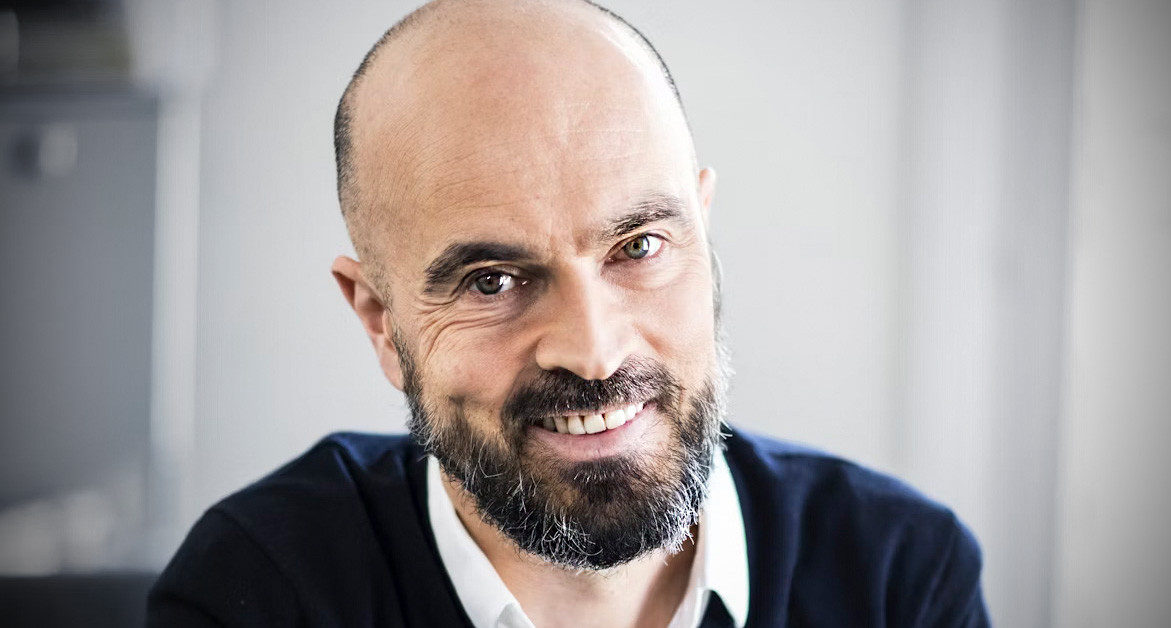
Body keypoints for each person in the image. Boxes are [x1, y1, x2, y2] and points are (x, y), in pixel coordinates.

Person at [147, 0, 990, 626]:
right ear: (380, 320)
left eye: (640, 247)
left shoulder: (899, 577)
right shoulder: (260, 593)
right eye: (492, 280)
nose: (593, 351)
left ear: (702, 229)